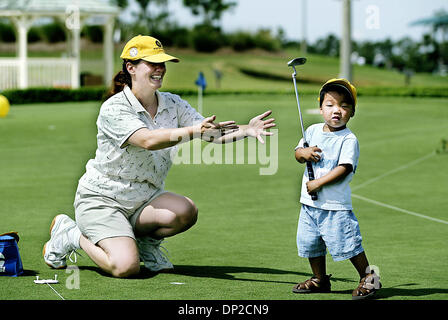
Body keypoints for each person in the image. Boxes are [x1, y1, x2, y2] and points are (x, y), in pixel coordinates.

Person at [42, 35, 275, 278]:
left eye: (161, 63)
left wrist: (246, 129)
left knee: (186, 211)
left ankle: (144, 243)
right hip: (102, 201)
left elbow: (211, 133)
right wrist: (194, 131)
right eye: (152, 63)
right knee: (125, 267)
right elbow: (147, 140)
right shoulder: (114, 108)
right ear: (131, 68)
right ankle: (72, 234)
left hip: (143, 199)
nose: (159, 69)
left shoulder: (173, 103)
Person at [292, 78, 381, 300]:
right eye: (330, 105)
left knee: (349, 244)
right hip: (309, 204)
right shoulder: (311, 130)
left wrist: (318, 183)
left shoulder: (349, 139)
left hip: (335, 205)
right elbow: (297, 153)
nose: (337, 111)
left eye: (344, 106)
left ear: (351, 112)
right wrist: (303, 154)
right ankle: (320, 279)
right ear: (320, 107)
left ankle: (370, 278)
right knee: (310, 243)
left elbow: (343, 168)